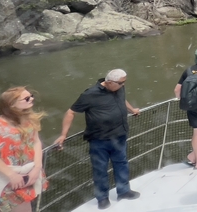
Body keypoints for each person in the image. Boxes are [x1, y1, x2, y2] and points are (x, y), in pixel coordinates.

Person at [54, 69, 141, 210]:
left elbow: (122, 100)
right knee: (100, 169)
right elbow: (71, 112)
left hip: (119, 136)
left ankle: (124, 191)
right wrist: (63, 134)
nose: (123, 85)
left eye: (124, 82)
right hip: (99, 140)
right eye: (120, 83)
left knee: (122, 164)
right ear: (109, 82)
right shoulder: (90, 94)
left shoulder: (118, 88)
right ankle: (102, 198)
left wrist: (132, 110)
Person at [0, 87, 48, 212]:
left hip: (28, 174)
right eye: (26, 98)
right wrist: (12, 175)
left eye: (31, 95)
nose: (31, 99)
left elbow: (36, 142)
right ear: (11, 104)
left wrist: (37, 168)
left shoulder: (28, 119)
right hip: (7, 178)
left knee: (25, 206)